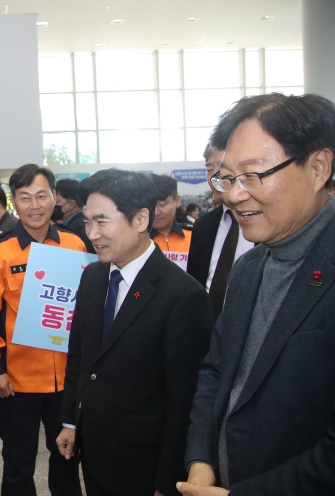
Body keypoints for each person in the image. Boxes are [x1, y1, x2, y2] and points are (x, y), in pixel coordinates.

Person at [179, 93, 335, 496]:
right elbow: (216, 370)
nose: (233, 195)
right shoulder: (249, 267)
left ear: (318, 167)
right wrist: (200, 460)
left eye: (252, 175)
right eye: (228, 178)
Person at [57, 169, 213, 496]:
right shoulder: (93, 276)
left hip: (143, 462)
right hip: (94, 448)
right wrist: (71, 421)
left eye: (102, 221)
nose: (92, 234)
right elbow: (81, 357)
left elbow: (184, 402)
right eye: (87, 222)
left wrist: (167, 482)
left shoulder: (183, 296)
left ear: (141, 219)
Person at [0, 164, 86, 496]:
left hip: (66, 381)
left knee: (67, 460)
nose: (34, 206)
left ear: (54, 197)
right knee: (18, 464)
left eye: (41, 196)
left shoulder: (75, 244)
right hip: (17, 382)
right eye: (25, 198)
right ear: (14, 202)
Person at [186, 143, 254, 321]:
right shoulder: (203, 225)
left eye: (223, 168)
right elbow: (194, 281)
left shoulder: (263, 221)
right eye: (210, 169)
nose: (216, 177)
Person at [150, 175, 192, 270]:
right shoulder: (136, 242)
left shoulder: (195, 237)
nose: (156, 212)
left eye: (162, 204)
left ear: (177, 201)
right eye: (150, 205)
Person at [52, 178, 95, 253]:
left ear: (71, 204)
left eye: (57, 201)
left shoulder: (76, 228)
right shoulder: (74, 223)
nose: (53, 204)